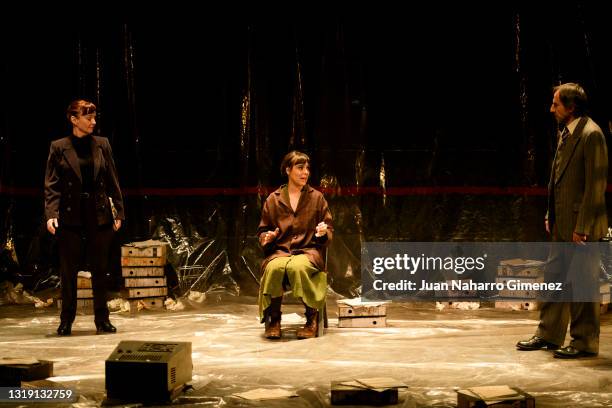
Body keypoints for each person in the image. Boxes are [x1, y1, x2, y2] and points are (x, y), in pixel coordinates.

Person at [517, 83, 608, 358]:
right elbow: (559, 180)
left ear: (571, 107)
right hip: (562, 224)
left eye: (556, 104)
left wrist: (583, 227)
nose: (551, 108)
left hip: (583, 227)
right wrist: (551, 213)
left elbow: (595, 185)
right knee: (554, 280)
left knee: (582, 285)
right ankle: (548, 334)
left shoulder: (591, 135)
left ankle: (583, 342)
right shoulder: (566, 133)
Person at [44, 99, 125, 336]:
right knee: (68, 271)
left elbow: (112, 179)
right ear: (73, 119)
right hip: (71, 215)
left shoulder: (102, 144)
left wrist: (118, 210)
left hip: (97, 213)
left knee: (100, 269)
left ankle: (102, 320)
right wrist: (51, 214)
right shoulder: (59, 147)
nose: (93, 122)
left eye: (94, 117)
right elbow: (52, 185)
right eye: (88, 117)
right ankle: (66, 320)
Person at [257, 151, 333, 339]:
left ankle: (311, 319)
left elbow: (329, 228)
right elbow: (263, 230)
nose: (305, 172)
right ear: (287, 170)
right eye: (300, 168)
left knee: (298, 267)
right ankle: (274, 319)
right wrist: (267, 237)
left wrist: (323, 232)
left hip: (307, 252)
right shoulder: (273, 200)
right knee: (274, 268)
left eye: (307, 168)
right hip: (281, 252)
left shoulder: (316, 198)